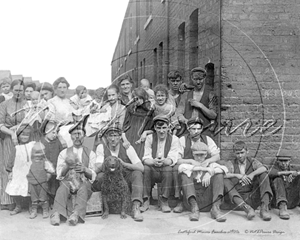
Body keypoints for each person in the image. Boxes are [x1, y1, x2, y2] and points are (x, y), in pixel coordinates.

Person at [174, 118, 225, 221]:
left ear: (202, 129)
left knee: (219, 173)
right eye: (193, 129)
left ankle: (215, 208)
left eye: (199, 128)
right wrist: (191, 162)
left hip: (205, 169)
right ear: (188, 129)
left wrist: (208, 161)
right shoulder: (182, 140)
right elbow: (177, 160)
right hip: (190, 169)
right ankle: (191, 206)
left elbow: (217, 156)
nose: (196, 131)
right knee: (179, 170)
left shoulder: (207, 139)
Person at [50, 120, 98, 226]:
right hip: (68, 181)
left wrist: (85, 169)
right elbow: (59, 175)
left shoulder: (91, 154)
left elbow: (93, 176)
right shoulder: (63, 153)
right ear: (71, 137)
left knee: (84, 187)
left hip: (83, 182)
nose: (77, 137)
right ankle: (57, 213)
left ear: (84, 136)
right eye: (74, 134)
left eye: (79, 134)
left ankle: (76, 214)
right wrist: (67, 166)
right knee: (63, 187)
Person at [93, 126, 144, 221]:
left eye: (116, 135)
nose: (113, 139)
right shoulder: (101, 147)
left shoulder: (127, 147)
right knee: (99, 177)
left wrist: (124, 164)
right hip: (110, 177)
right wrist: (106, 162)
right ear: (106, 137)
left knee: (137, 173)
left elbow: (141, 167)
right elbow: (98, 166)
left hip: (125, 176)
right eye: (110, 135)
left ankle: (136, 207)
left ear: (120, 137)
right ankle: (104, 206)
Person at [178, 141, 228, 222]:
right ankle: (194, 209)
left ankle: (215, 208)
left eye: (202, 155)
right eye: (197, 155)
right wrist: (205, 169)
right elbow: (181, 168)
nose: (199, 158)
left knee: (219, 175)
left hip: (207, 202)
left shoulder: (211, 165)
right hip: (192, 203)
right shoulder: (189, 165)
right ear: (193, 154)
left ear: (206, 155)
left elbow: (224, 169)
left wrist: (210, 173)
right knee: (185, 175)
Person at [224, 140, 273, 221]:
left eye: (242, 152)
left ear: (247, 151)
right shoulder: (231, 163)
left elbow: (264, 168)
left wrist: (252, 175)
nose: (240, 156)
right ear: (234, 153)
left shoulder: (252, 161)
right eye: (237, 153)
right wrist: (237, 175)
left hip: (252, 196)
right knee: (225, 181)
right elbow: (223, 174)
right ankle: (246, 208)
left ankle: (264, 208)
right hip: (238, 199)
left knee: (263, 175)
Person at [141, 115, 181, 213]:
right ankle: (146, 200)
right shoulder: (150, 138)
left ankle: (164, 200)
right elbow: (146, 157)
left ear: (168, 127)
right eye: (158, 128)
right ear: (155, 128)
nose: (161, 131)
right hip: (153, 167)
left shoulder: (174, 139)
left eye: (164, 128)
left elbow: (172, 158)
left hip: (165, 168)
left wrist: (164, 161)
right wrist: (153, 161)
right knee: (146, 168)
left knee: (168, 169)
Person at [0, 79, 27, 210]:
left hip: (25, 139)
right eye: (15, 90)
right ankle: (8, 200)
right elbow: (0, 124)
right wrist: (12, 133)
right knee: (7, 168)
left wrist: (21, 131)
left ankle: (25, 201)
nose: (18, 93)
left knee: (23, 167)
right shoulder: (4, 104)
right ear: (11, 90)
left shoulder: (27, 104)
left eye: (20, 90)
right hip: (9, 139)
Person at [177, 67, 217, 135]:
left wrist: (200, 105)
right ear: (192, 78)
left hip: (204, 131)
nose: (198, 82)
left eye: (200, 79)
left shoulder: (210, 94)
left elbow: (213, 115)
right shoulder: (186, 94)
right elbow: (178, 113)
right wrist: (185, 121)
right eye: (195, 79)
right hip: (188, 131)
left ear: (204, 78)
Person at [5, 125, 35, 215]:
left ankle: (31, 205)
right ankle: (18, 206)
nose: (25, 137)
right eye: (22, 135)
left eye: (27, 135)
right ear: (18, 136)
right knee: (15, 188)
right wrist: (9, 171)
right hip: (18, 172)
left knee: (29, 189)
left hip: (29, 171)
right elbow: (11, 160)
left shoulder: (32, 145)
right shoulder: (16, 147)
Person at [122, 87, 154, 159]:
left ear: (144, 97)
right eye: (136, 99)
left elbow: (154, 129)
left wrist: (145, 132)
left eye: (140, 98)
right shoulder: (130, 108)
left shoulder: (150, 110)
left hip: (142, 139)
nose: (138, 101)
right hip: (129, 137)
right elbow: (124, 128)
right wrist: (125, 140)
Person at [39, 120, 66, 206]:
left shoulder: (57, 142)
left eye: (56, 133)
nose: (55, 135)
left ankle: (53, 202)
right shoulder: (41, 143)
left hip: (55, 169)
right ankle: (45, 203)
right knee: (45, 185)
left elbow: (63, 153)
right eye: (53, 133)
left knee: (54, 186)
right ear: (46, 132)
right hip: (45, 170)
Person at [27, 142, 55, 219]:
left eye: (40, 153)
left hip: (42, 183)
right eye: (36, 153)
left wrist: (48, 175)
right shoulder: (30, 162)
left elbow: (52, 170)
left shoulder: (45, 162)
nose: (38, 155)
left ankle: (45, 210)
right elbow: (25, 171)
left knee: (43, 197)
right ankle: (34, 210)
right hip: (32, 183)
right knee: (34, 198)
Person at [269, 152, 300, 220]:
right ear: (277, 161)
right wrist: (289, 173)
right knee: (277, 179)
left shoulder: (294, 169)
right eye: (281, 161)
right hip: (278, 203)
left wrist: (296, 174)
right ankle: (282, 207)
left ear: (289, 161)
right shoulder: (274, 169)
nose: (283, 163)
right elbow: (270, 173)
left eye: (286, 161)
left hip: (292, 201)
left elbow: (297, 173)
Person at [47, 77, 75, 147]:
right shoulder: (51, 102)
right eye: (59, 87)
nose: (62, 90)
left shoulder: (70, 102)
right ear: (55, 89)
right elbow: (51, 123)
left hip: (73, 130)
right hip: (60, 132)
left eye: (64, 87)